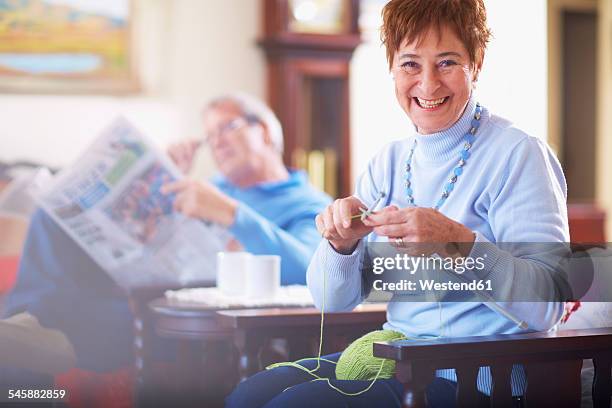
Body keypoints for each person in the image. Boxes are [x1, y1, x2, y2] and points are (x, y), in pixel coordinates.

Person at [226, 1, 570, 407]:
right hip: (400, 360)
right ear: (391, 67)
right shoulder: (387, 163)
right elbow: (331, 301)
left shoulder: (518, 155)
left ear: (476, 63)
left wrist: (455, 242)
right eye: (410, 64)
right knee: (248, 396)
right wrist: (341, 244)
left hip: (478, 377)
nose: (427, 84)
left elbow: (549, 303)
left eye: (446, 63)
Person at [0, 93, 330, 380]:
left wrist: (233, 215)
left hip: (203, 323)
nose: (216, 142)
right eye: (209, 136)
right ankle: (29, 321)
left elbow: (312, 270)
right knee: (55, 215)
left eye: (227, 127)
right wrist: (164, 179)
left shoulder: (309, 204)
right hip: (143, 295)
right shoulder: (207, 188)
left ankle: (33, 333)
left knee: (36, 343)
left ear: (266, 131)